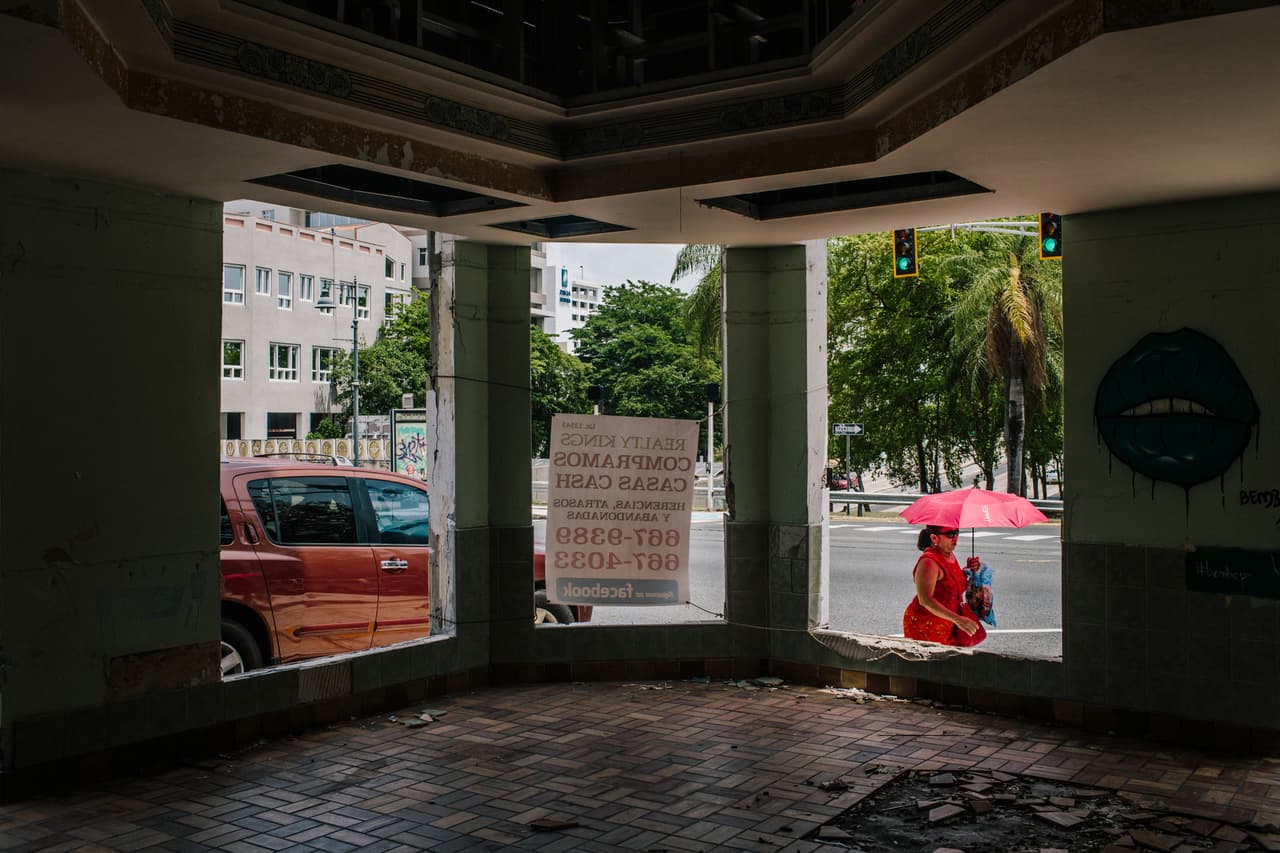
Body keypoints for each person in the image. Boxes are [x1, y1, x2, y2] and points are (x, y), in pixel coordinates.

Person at [902, 525, 987, 646]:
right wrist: (958, 620)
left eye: (957, 532)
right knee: (930, 663)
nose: (955, 538)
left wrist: (969, 570)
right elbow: (925, 600)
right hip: (926, 624)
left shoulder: (949, 554)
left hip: (949, 623)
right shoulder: (929, 562)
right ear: (934, 538)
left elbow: (952, 584)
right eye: (950, 535)